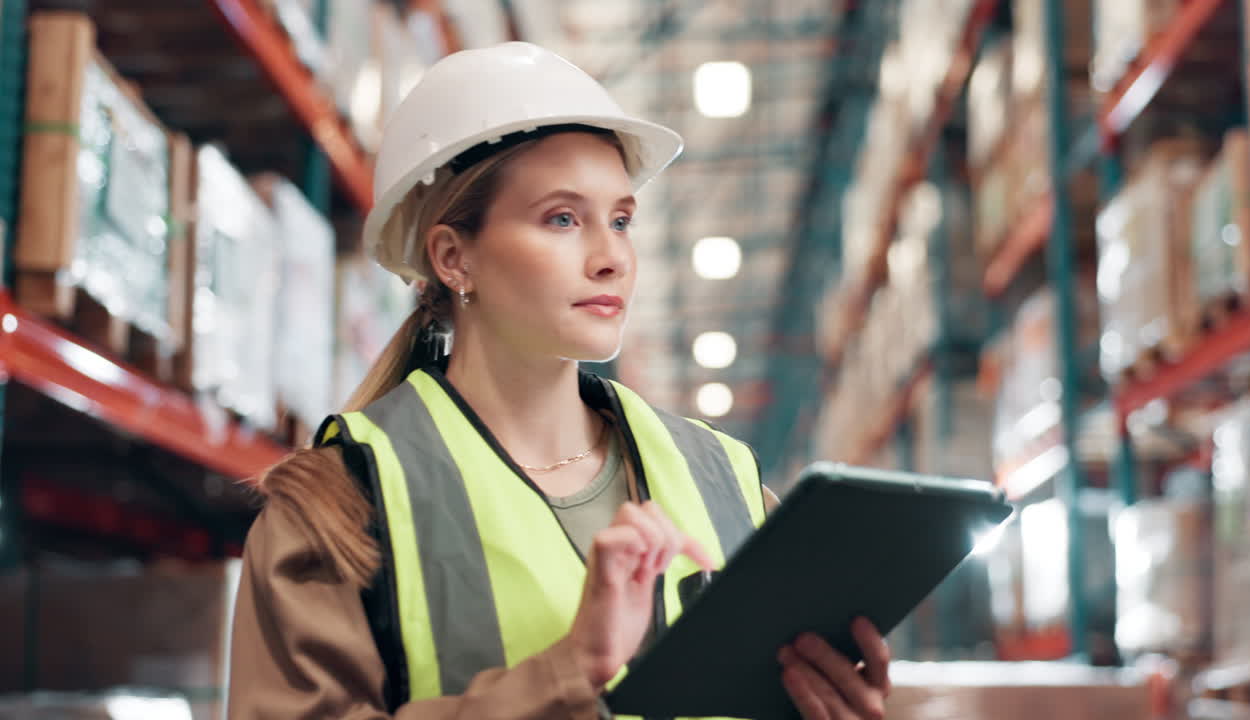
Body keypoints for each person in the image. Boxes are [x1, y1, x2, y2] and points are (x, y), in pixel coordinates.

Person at [227, 41, 892, 720]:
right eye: (563, 219)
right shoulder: (335, 507)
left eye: (622, 220)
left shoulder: (730, 484)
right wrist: (568, 673)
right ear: (454, 258)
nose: (611, 258)